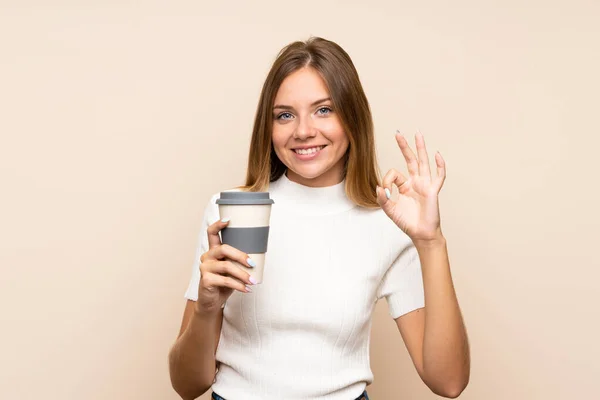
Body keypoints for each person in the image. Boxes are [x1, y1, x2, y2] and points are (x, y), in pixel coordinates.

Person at [168, 37, 470, 400]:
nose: (303, 131)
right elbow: (187, 386)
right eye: (285, 115)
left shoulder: (389, 222)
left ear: (352, 117)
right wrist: (206, 308)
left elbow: (448, 382)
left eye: (323, 110)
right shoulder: (231, 211)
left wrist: (430, 243)